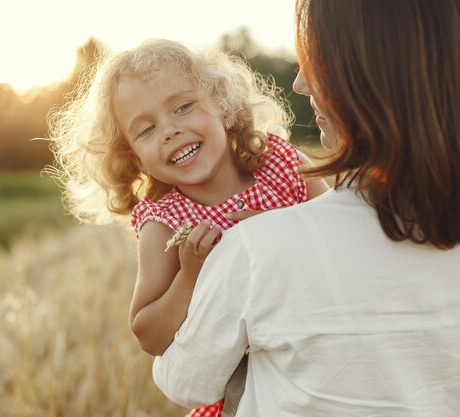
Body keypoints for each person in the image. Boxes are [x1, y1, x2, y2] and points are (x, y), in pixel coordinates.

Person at [151, 1, 460, 416]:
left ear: (377, 77)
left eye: (318, 62)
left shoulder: (261, 249)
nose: (300, 85)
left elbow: (186, 382)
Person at [47, 38, 328, 417]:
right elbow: (148, 333)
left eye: (183, 107)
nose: (169, 130)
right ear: (136, 158)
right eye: (146, 129)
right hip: (239, 390)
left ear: (224, 107)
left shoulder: (280, 162)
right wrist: (190, 277)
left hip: (319, 348)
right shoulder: (164, 223)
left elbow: (332, 231)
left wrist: (280, 232)